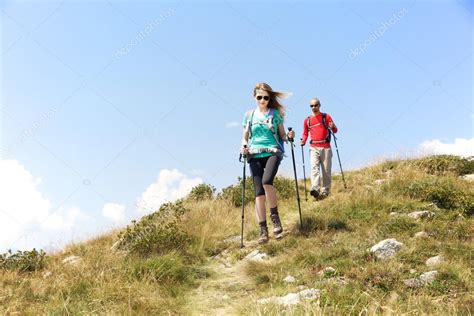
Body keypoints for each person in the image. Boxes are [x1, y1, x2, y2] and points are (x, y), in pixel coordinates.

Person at [241, 83, 294, 244]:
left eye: (265, 97)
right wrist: (243, 146)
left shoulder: (275, 114)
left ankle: (275, 218)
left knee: (267, 181)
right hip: (254, 154)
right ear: (254, 97)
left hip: (273, 152)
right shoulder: (249, 115)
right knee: (258, 193)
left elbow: (282, 135)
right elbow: (245, 137)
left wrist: (289, 136)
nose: (262, 100)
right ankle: (263, 230)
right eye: (259, 97)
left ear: (269, 98)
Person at [300, 97, 338, 200]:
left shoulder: (326, 116)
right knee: (314, 168)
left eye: (315, 105)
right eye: (311, 106)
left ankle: (325, 191)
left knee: (326, 170)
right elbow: (305, 133)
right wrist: (303, 140)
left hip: (325, 147)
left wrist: (332, 126)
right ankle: (315, 189)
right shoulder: (307, 120)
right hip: (313, 147)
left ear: (319, 105)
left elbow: (335, 130)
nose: (314, 107)